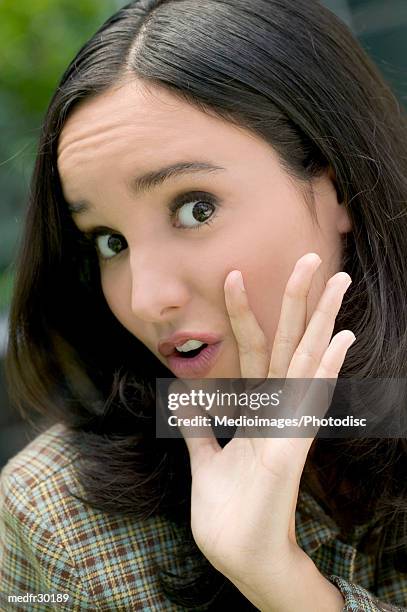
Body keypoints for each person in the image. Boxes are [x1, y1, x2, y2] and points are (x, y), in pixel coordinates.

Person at [1, 0, 406, 609]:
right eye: (111, 242)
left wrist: (290, 588)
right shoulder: (59, 517)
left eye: (196, 208)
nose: (147, 298)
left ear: (338, 183)